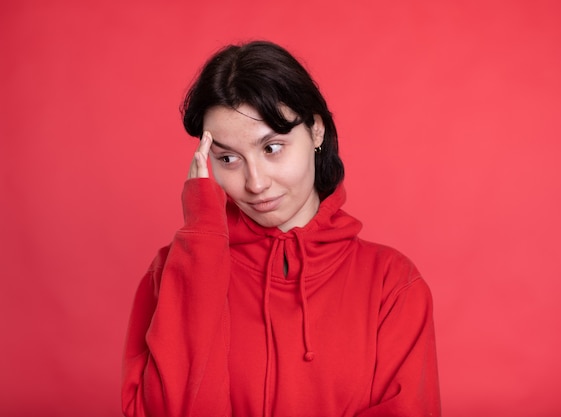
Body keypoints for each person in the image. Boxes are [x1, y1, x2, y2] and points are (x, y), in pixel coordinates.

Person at [122, 40, 440, 417]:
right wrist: (202, 246)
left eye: (272, 148)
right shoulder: (174, 274)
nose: (255, 183)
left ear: (316, 131)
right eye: (228, 158)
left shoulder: (392, 283)